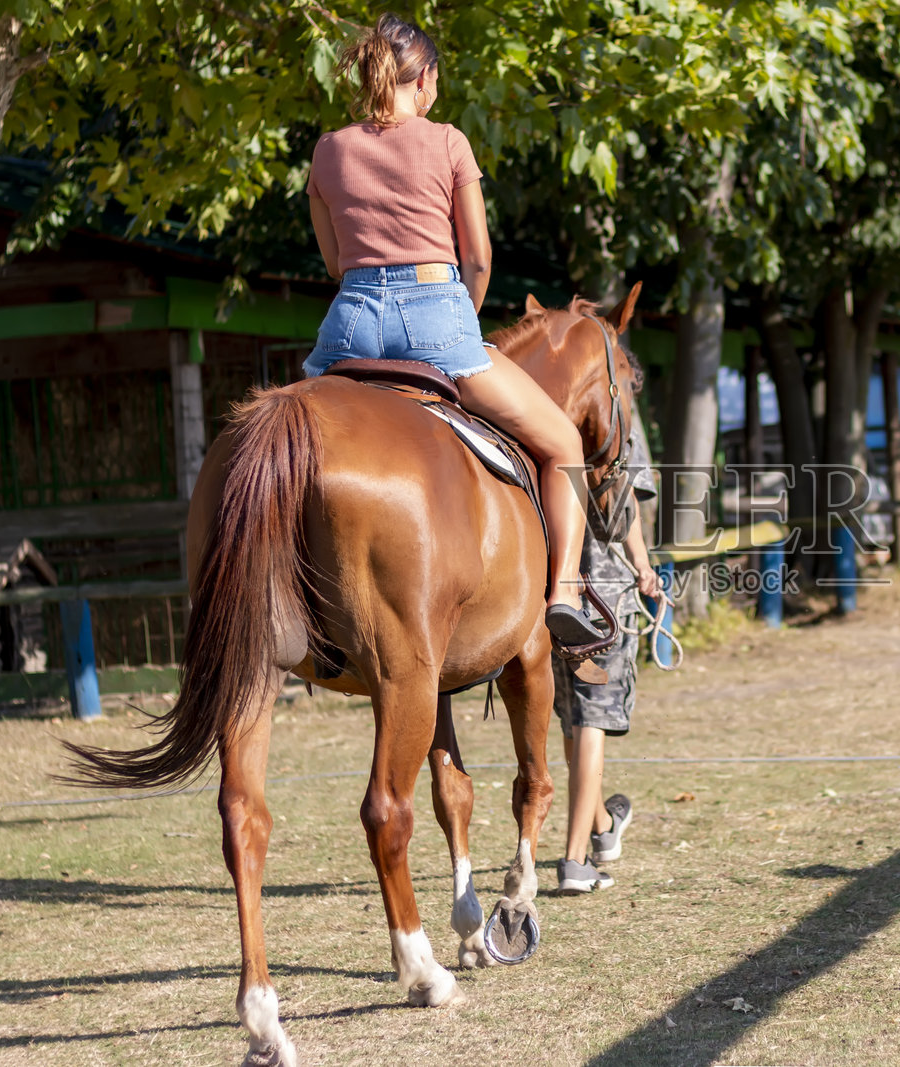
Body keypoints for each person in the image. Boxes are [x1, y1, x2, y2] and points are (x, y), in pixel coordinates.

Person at [303, 13, 603, 649]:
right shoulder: (448, 142)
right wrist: (460, 318)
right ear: (424, 80)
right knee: (561, 444)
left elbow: (334, 263)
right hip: (437, 316)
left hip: (350, 325)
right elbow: (479, 259)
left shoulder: (328, 150)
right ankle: (567, 591)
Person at [555, 415, 661, 893]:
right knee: (591, 719)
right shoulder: (615, 415)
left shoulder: (541, 414)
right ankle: (575, 860)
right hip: (605, 597)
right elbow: (625, 498)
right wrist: (643, 565)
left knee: (572, 719)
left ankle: (602, 825)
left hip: (552, 594)